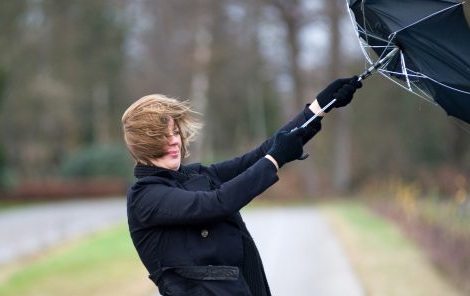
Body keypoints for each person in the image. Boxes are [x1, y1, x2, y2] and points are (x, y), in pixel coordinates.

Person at [122, 76, 362, 296]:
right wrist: (274, 160)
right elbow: (216, 203)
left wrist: (318, 108)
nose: (174, 140)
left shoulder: (192, 176)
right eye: (164, 136)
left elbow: (258, 155)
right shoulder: (145, 197)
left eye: (175, 132)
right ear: (145, 144)